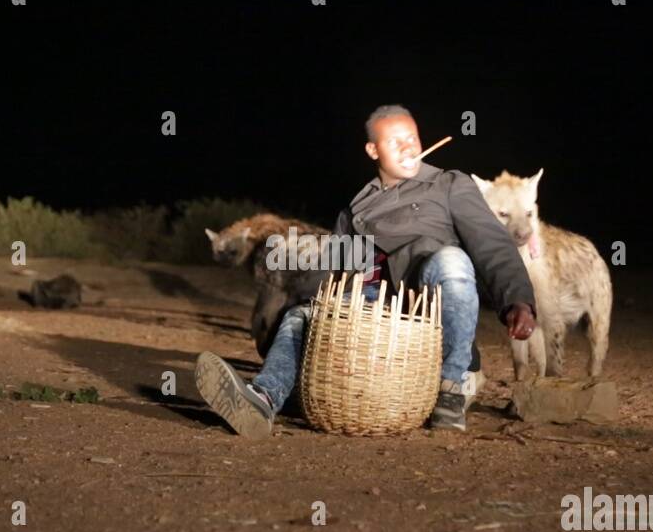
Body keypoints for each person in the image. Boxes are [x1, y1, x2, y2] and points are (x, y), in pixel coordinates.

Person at [194, 104, 537, 437]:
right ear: (373, 150)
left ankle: (450, 389)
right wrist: (302, 317)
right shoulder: (354, 210)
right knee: (302, 316)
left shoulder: (448, 185)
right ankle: (263, 400)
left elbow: (491, 242)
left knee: (452, 259)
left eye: (412, 137)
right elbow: (335, 276)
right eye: (394, 141)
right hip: (371, 303)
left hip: (424, 298)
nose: (408, 147)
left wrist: (517, 299)